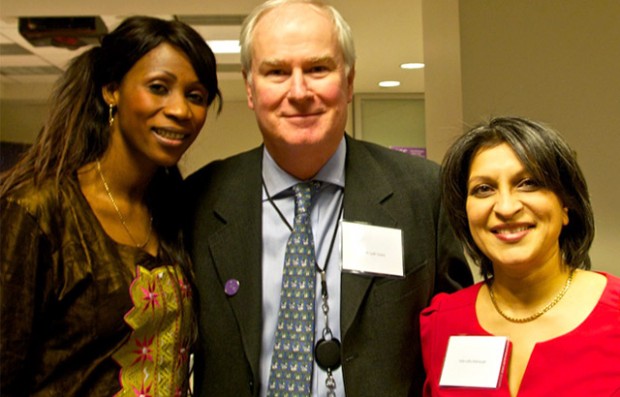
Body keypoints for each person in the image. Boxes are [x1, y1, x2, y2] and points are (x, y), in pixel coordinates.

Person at [183, 1, 472, 396]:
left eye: (318, 69)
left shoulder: (423, 192)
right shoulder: (198, 200)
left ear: (349, 82)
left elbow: (456, 338)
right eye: (277, 72)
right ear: (250, 90)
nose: (299, 92)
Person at [0, 16, 221, 396]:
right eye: (158, 87)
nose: (180, 110)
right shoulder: (39, 210)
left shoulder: (177, 212)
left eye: (196, 96)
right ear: (111, 90)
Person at [421, 116, 620, 396]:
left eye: (528, 183)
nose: (505, 207)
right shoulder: (442, 323)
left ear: (566, 206)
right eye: (484, 189)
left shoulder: (615, 315)